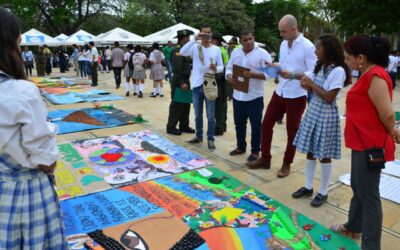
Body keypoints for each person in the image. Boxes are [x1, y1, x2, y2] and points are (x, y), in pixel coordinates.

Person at [0, 7, 68, 249]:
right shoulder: (20, 92)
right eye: (19, 41)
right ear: (10, 44)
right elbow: (46, 160)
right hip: (24, 194)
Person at [330, 34, 400, 250]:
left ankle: (370, 246)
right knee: (358, 188)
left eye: (348, 58)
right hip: (361, 143)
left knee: (369, 198)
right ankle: (353, 226)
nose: (346, 62)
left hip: (371, 146)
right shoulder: (367, 74)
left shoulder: (376, 76)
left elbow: (388, 114)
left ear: (361, 57)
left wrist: (393, 132)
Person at [247, 14, 317, 178]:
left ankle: (287, 163)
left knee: (292, 131)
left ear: (294, 29)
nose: (281, 35)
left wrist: (292, 75)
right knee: (266, 124)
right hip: (280, 91)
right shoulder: (284, 44)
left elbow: (314, 72)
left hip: (297, 95)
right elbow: (284, 65)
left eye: (283, 31)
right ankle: (265, 158)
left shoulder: (308, 46)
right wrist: (274, 66)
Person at [290, 34, 351, 207]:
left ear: (328, 49)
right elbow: (308, 80)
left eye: (318, 48)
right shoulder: (320, 67)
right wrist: (305, 82)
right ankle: (308, 186)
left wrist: (311, 85)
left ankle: (323, 191)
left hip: (325, 114)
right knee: (311, 150)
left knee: (323, 154)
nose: (315, 51)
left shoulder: (338, 70)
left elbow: (329, 97)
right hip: (313, 111)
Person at [226, 30, 272, 162]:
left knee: (256, 125)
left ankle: (255, 151)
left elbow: (269, 74)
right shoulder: (235, 52)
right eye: (245, 40)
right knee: (239, 123)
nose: (249, 42)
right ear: (240, 41)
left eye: (250, 39)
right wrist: (229, 77)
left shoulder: (262, 54)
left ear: (254, 38)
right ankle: (241, 146)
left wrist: (254, 75)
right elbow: (229, 68)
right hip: (238, 95)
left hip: (254, 97)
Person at [180, 25, 224, 150]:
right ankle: (198, 136)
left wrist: (216, 69)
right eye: (203, 33)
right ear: (200, 34)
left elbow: (221, 67)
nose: (206, 35)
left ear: (211, 34)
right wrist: (195, 38)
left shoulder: (216, 49)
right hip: (196, 85)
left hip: (209, 83)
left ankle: (210, 138)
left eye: (208, 33)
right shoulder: (195, 47)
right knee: (197, 114)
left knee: (211, 115)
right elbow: (182, 52)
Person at [166, 29, 196, 136]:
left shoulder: (184, 50)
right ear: (184, 38)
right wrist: (182, 82)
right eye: (188, 38)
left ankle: (184, 126)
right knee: (177, 104)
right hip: (179, 80)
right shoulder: (177, 50)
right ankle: (171, 127)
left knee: (186, 104)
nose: (189, 40)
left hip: (185, 79)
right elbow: (177, 69)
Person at [212, 33, 229, 136]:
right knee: (223, 106)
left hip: (219, 82)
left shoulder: (218, 51)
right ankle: (223, 126)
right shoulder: (223, 50)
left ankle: (219, 128)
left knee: (219, 107)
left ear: (217, 41)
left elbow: (220, 70)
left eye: (212, 40)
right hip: (224, 81)